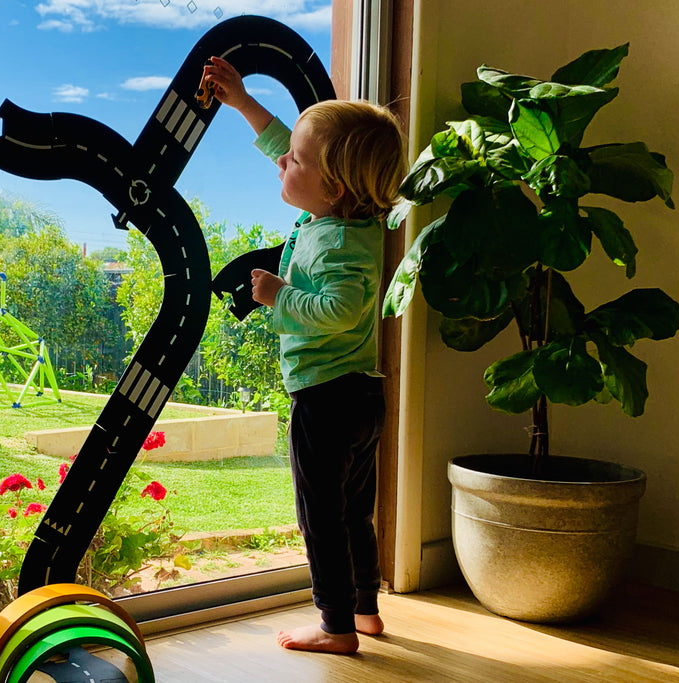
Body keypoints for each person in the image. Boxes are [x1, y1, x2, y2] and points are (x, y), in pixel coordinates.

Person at [202, 56, 406, 654]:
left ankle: (336, 626)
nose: (282, 161)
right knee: (352, 513)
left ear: (333, 186)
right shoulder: (340, 217)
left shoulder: (342, 243)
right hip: (361, 396)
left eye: (295, 160)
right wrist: (241, 102)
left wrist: (280, 297)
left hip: (328, 398)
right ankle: (364, 610)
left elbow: (340, 311)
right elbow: (285, 149)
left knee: (320, 516)